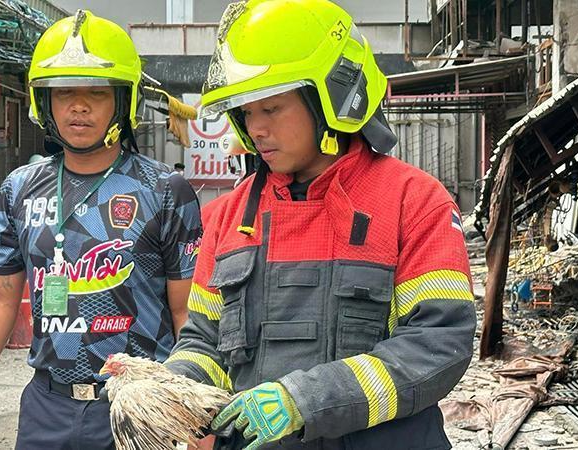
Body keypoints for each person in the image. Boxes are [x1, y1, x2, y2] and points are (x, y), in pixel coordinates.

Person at [164, 1, 476, 449]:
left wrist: (305, 400)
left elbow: (437, 346)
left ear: (331, 96)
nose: (256, 129)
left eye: (271, 108)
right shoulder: (230, 216)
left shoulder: (414, 201)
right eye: (246, 112)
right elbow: (205, 339)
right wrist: (175, 387)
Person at [0, 10, 202, 450]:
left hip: (141, 410)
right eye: (64, 93)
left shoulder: (166, 190)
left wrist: (192, 413)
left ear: (122, 100)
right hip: (46, 408)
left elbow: (185, 313)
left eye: (95, 93)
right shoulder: (19, 188)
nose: (78, 105)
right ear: (45, 102)